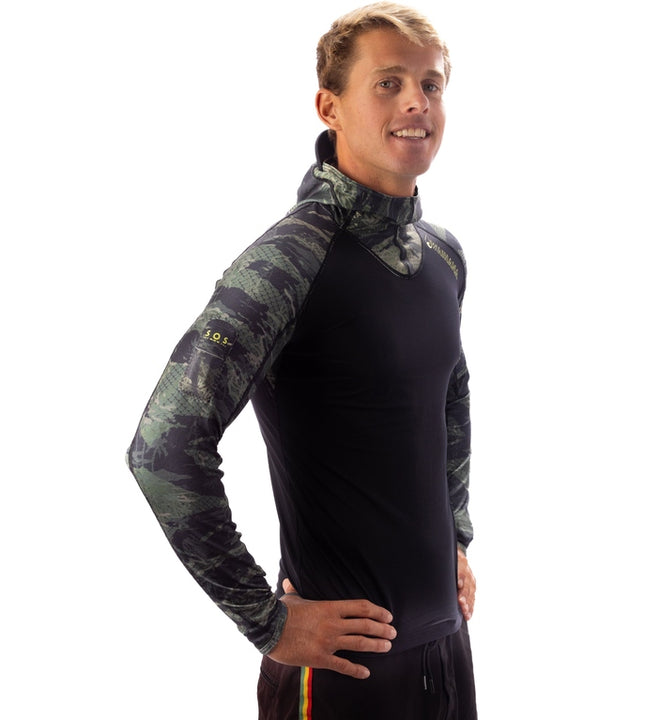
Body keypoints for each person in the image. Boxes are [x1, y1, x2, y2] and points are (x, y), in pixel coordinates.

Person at [127, 3, 477, 717]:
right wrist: (267, 620)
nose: (416, 101)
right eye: (388, 83)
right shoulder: (290, 260)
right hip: (339, 672)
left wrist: (457, 537)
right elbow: (163, 447)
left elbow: (448, 395)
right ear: (329, 107)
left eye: (431, 84)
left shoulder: (441, 255)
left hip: (446, 652)